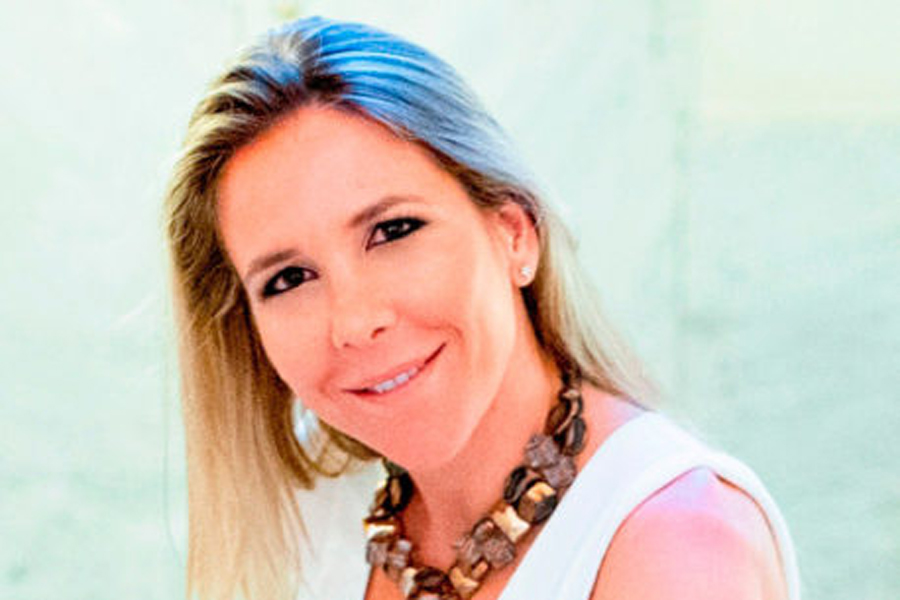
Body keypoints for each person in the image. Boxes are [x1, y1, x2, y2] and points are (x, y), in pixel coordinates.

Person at [164, 15, 801, 600]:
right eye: (289, 278)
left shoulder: (679, 544)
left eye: (393, 231)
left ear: (514, 232)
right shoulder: (314, 504)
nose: (355, 321)